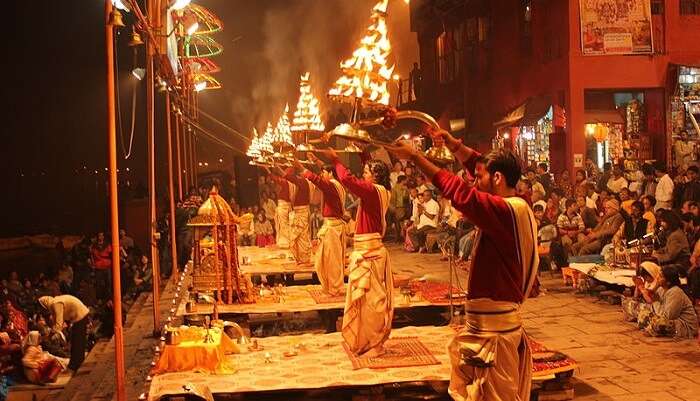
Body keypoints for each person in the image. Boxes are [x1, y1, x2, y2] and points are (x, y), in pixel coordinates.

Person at [385, 129, 538, 401]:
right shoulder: (513, 204)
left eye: (478, 178)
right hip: (489, 326)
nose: (474, 181)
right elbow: (483, 167)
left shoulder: (506, 211)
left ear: (498, 179)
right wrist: (455, 145)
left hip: (496, 334)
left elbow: (461, 194)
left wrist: (416, 157)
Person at [316, 148, 393, 357]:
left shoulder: (372, 191)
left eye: (367, 171)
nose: (364, 174)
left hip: (370, 253)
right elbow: (363, 173)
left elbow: (347, 179)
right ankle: (366, 340)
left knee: (372, 302)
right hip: (367, 250)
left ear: (375, 176)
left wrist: (336, 160)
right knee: (364, 301)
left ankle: (376, 343)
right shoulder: (380, 190)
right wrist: (362, 152)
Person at [300, 156, 347, 296]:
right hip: (331, 226)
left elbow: (318, 181)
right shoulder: (334, 185)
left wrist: (302, 169)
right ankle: (330, 287)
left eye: (324, 173)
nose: (322, 175)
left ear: (331, 174)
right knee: (323, 260)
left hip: (333, 228)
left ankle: (334, 288)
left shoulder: (332, 185)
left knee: (332, 261)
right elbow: (322, 175)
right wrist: (315, 160)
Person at [641, 266, 698, 338]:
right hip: (671, 321)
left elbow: (667, 317)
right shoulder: (661, 289)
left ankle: (653, 329)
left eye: (661, 276)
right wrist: (654, 290)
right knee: (643, 313)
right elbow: (654, 308)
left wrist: (654, 301)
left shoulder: (675, 292)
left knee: (659, 323)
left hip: (685, 327)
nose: (658, 278)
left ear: (668, 282)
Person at [38, 295, 89, 371]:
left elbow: (59, 323)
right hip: (78, 316)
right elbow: (56, 322)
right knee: (76, 340)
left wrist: (51, 334)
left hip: (80, 315)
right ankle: (75, 363)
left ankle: (76, 364)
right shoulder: (54, 304)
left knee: (77, 341)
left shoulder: (56, 303)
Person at [277, 166, 314, 266]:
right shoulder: (302, 183)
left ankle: (304, 259)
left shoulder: (303, 182)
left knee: (301, 237)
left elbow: (288, 177)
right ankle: (300, 258)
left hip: (301, 212)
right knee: (298, 237)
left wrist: (276, 166)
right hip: (298, 212)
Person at [268, 172, 295, 249]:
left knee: (283, 226)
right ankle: (286, 242)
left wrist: (267, 170)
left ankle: (285, 243)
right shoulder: (293, 185)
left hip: (283, 208)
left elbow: (275, 178)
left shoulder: (286, 183)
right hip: (287, 207)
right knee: (284, 225)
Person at [388, 175, 410, 242]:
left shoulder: (404, 188)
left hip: (402, 207)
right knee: (398, 222)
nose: (407, 181)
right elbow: (393, 200)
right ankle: (399, 237)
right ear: (403, 180)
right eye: (406, 180)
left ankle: (400, 237)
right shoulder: (395, 189)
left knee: (399, 222)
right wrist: (394, 208)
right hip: (398, 208)